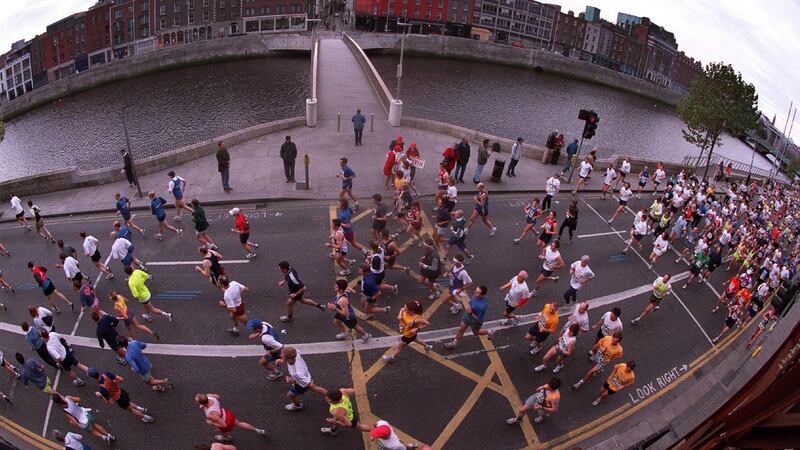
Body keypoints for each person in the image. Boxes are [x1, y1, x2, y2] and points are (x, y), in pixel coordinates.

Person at [88, 367, 155, 423]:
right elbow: (120, 379)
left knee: (131, 410)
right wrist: (114, 383)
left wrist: (100, 396)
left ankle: (147, 417)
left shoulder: (102, 389)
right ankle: (141, 409)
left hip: (119, 399)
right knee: (128, 402)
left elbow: (110, 402)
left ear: (92, 377)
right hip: (122, 391)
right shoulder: (107, 374)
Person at [195, 393, 266, 442]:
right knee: (239, 424)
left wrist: (212, 423)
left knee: (222, 431)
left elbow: (223, 425)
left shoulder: (210, 415)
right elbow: (218, 396)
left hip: (225, 421)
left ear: (201, 403)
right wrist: (204, 405)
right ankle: (257, 430)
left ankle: (225, 437)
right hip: (227, 414)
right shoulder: (210, 396)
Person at [276, 346, 327, 411]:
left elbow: (307, 384)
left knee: (291, 395)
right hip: (306, 376)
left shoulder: (296, 373)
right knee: (315, 388)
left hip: (302, 383)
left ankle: (297, 405)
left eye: (282, 356)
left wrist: (292, 381)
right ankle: (332, 396)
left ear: (289, 359)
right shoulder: (295, 353)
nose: (280, 356)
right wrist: (283, 360)